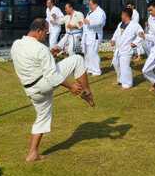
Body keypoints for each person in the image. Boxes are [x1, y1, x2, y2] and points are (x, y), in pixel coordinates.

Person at [10, 18, 95, 162]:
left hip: (31, 90)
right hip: (43, 84)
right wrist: (71, 87)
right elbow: (52, 76)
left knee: (42, 117)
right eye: (46, 32)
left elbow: (32, 59)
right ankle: (86, 93)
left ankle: (33, 153)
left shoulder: (16, 45)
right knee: (77, 60)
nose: (47, 35)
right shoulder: (40, 48)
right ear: (39, 31)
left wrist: (49, 54)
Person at [110, 8, 143, 89]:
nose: (121, 16)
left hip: (127, 48)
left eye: (122, 14)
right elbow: (116, 33)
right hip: (119, 48)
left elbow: (141, 34)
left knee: (125, 66)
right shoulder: (121, 24)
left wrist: (135, 43)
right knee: (115, 63)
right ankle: (120, 79)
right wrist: (113, 40)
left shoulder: (135, 25)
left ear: (126, 15)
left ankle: (127, 84)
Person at [81, 0, 106, 76]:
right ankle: (89, 68)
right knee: (88, 52)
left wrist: (89, 22)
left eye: (90, 4)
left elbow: (100, 23)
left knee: (93, 52)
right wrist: (83, 23)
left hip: (95, 35)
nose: (89, 6)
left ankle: (96, 70)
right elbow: (87, 21)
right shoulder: (90, 12)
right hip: (88, 35)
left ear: (95, 4)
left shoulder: (100, 12)